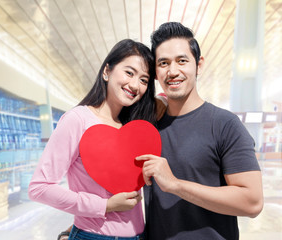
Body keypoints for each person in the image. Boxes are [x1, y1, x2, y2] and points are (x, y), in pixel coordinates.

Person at [135, 22, 264, 239]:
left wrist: (175, 185)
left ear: (198, 64)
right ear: (155, 73)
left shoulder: (224, 125)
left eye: (182, 60)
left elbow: (252, 202)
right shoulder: (148, 126)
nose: (173, 71)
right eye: (163, 63)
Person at [28, 39, 157, 239]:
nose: (134, 85)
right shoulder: (77, 120)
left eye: (144, 80)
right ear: (107, 71)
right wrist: (105, 205)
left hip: (139, 236)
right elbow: (39, 187)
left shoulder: (132, 128)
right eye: (129, 73)